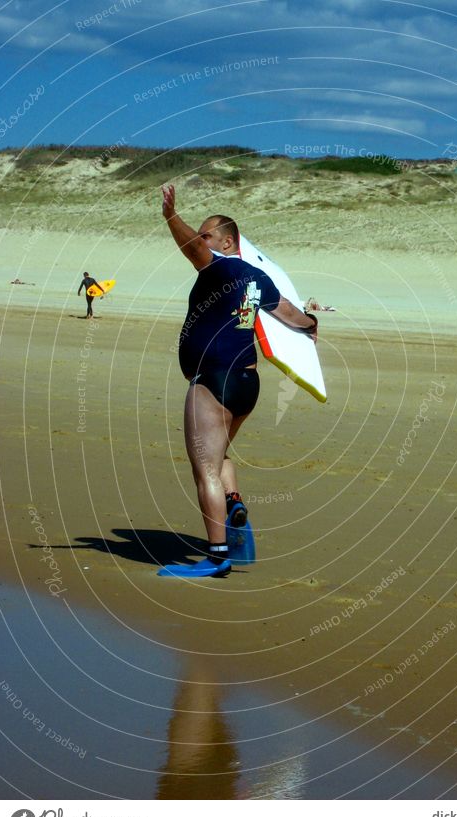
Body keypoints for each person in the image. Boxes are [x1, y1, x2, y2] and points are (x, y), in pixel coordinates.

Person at [162, 184, 317, 575]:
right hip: (247, 383)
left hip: (213, 380)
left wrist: (170, 217)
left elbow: (191, 250)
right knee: (218, 455)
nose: (201, 240)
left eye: (207, 235)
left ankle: (217, 557)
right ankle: (235, 507)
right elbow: (288, 314)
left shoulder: (220, 266)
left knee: (204, 470)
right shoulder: (257, 277)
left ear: (227, 241)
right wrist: (312, 324)